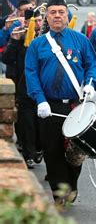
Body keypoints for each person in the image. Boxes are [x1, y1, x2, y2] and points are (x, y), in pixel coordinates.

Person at [24, 0, 96, 206]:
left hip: (75, 105)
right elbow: (31, 73)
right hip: (48, 106)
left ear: (68, 15)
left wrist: (90, 85)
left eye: (61, 12)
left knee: (75, 151)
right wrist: (39, 100)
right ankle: (59, 193)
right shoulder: (37, 45)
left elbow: (92, 65)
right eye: (53, 12)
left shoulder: (80, 40)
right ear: (46, 16)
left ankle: (72, 185)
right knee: (52, 150)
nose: (57, 16)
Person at [2, 9, 43, 169]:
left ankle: (38, 149)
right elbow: (5, 59)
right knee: (26, 126)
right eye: (35, 21)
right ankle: (28, 155)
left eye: (40, 21)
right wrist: (13, 41)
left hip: (42, 90)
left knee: (41, 125)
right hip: (24, 90)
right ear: (26, 23)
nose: (38, 24)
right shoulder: (19, 39)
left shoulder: (46, 39)